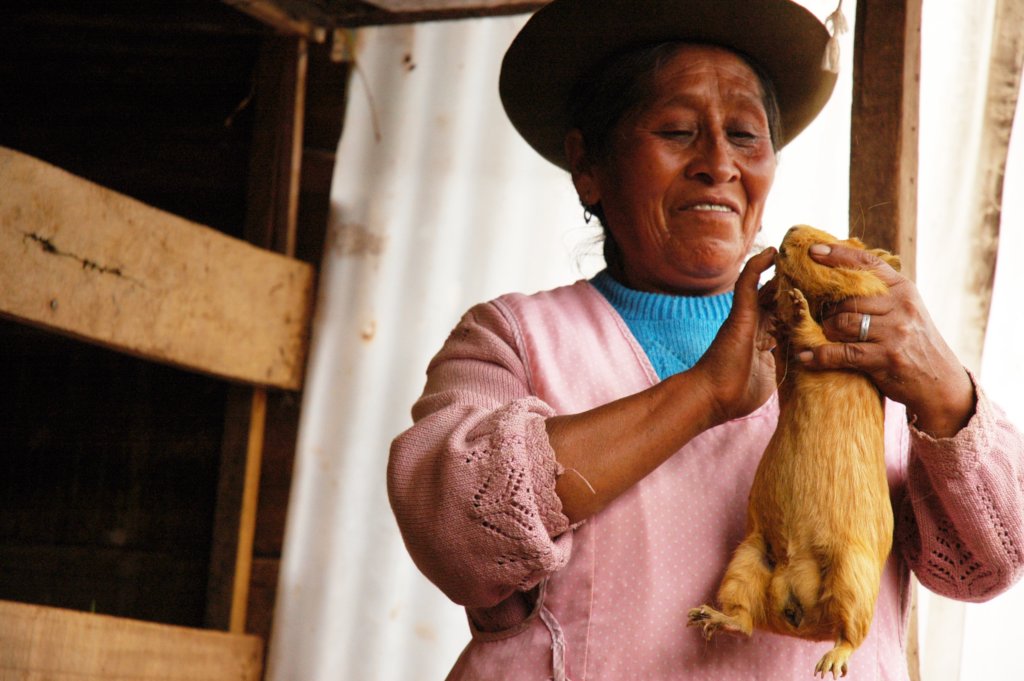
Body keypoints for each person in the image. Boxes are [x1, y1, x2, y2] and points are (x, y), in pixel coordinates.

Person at [388, 0, 1024, 678]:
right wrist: (704, 394)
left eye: (746, 136)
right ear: (589, 167)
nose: (718, 163)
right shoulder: (516, 338)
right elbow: (453, 528)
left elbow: (988, 565)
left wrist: (944, 391)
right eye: (678, 130)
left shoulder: (859, 344)